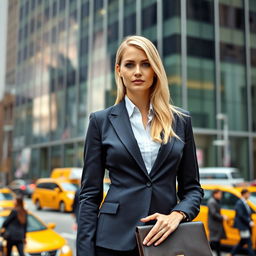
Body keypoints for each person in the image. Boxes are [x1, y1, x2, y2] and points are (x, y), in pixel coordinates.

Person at [77, 35, 204, 256]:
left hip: (164, 240)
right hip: (112, 242)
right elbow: (89, 195)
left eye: (145, 64)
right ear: (119, 70)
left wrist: (177, 215)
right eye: (130, 64)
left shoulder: (181, 121)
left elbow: (192, 189)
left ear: (155, 70)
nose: (138, 71)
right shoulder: (100, 121)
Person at [229, 189, 254, 256]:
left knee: (243, 241)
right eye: (248, 194)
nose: (249, 195)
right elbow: (241, 214)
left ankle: (232, 253)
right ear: (244, 194)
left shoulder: (245, 202)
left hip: (245, 226)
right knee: (249, 242)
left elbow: (248, 213)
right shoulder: (239, 203)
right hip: (243, 226)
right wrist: (249, 222)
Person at [207, 189, 227, 256]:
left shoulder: (216, 201)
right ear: (215, 194)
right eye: (219, 194)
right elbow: (214, 213)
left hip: (216, 225)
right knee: (214, 241)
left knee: (217, 241)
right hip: (214, 225)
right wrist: (222, 217)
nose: (221, 195)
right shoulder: (212, 202)